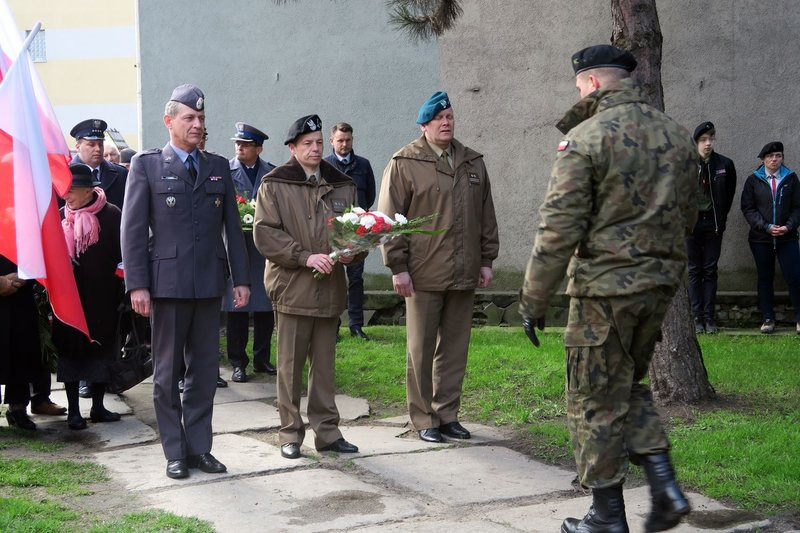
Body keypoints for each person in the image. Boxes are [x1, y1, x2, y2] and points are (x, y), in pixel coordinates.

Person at [519, 45, 696, 533]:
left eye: (579, 85)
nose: (577, 92)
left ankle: (606, 517)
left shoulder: (587, 137)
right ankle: (666, 488)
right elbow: (691, 215)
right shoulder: (677, 136)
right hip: (658, 288)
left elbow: (558, 229)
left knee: (592, 398)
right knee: (627, 387)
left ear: (593, 83)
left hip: (604, 293)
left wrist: (533, 301)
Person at [121, 84, 250, 479]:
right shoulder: (147, 165)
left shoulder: (216, 166)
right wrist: (137, 285)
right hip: (168, 285)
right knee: (166, 374)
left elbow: (232, 226)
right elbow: (132, 229)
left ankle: (199, 448)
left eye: (201, 119)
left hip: (210, 284)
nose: (197, 124)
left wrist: (241, 280)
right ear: (169, 121)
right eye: (189, 118)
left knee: (205, 371)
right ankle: (174, 451)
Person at [378, 91, 499, 444]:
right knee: (421, 348)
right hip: (422, 273)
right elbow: (389, 220)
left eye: (449, 116)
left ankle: (448, 414)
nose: (446, 123)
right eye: (438, 118)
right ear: (423, 125)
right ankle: (422, 417)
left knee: (455, 347)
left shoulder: (472, 161)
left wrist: (487, 259)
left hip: (464, 270)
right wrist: (397, 266)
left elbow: (486, 215)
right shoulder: (404, 162)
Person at [253, 114, 361, 459]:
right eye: (307, 144)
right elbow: (266, 233)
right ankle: (290, 433)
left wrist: (350, 253)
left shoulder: (342, 184)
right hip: (292, 287)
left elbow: (355, 229)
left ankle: (327, 432)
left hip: (330, 289)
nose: (315, 149)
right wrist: (304, 257)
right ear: (292, 148)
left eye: (318, 143)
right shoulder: (275, 183)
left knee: (326, 368)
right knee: (290, 367)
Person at [52, 164, 124, 430]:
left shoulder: (111, 214)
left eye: (72, 190)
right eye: (65, 190)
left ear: (89, 190)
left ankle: (98, 407)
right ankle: (73, 411)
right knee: (71, 353)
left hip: (103, 297)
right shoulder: (61, 216)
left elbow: (122, 254)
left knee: (101, 351)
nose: (67, 196)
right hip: (69, 300)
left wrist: (121, 287)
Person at [226, 122, 277, 383]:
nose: (239, 148)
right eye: (237, 143)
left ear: (259, 148)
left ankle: (262, 357)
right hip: (238, 247)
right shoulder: (226, 170)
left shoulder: (271, 172)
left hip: (264, 249)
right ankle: (238, 361)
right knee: (237, 307)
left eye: (245, 145)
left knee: (265, 306)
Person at [741, 141, 800, 335]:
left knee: (794, 277)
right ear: (763, 159)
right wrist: (766, 227)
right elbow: (748, 209)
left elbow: (797, 207)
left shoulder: (791, 179)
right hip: (761, 239)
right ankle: (768, 318)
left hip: (787, 238)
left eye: (778, 156)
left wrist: (788, 226)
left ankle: (799, 318)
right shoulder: (753, 180)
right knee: (765, 277)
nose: (774, 160)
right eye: (770, 156)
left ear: (782, 158)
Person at [324, 122, 376, 340]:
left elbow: (370, 195)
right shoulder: (324, 165)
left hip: (356, 234)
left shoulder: (363, 165)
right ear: (332, 141)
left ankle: (356, 325)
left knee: (355, 279)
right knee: (332, 280)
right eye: (340, 140)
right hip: (332, 232)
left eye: (348, 140)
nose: (344, 144)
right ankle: (332, 326)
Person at [687, 121, 737, 334]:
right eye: (703, 140)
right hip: (691, 224)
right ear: (696, 142)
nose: (708, 143)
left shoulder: (724, 164)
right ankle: (697, 317)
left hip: (713, 223)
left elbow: (729, 193)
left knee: (710, 269)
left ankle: (709, 317)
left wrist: (721, 218)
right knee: (694, 269)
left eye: (711, 139)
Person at [1, 255, 55, 430]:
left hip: (21, 294)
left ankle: (18, 408)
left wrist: (23, 277)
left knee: (20, 348)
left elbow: (35, 252)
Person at [69, 119, 128, 210]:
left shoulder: (121, 173)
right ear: (78, 147)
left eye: (100, 144)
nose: (98, 149)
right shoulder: (66, 174)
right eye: (91, 144)